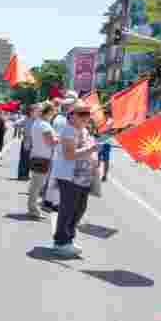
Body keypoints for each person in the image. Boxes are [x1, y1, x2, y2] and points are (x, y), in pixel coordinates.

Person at [46, 99, 98, 256]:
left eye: (87, 114)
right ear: (71, 115)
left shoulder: (83, 130)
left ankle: (68, 239)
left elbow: (87, 151)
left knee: (79, 209)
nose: (86, 117)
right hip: (69, 176)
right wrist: (91, 149)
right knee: (68, 210)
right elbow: (70, 155)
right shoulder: (69, 130)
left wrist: (94, 161)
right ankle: (61, 241)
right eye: (81, 114)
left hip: (82, 177)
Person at [26, 102, 56, 219]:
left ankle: (33, 208)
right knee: (37, 185)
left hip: (37, 155)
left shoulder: (38, 123)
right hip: (43, 157)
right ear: (48, 112)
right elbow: (50, 142)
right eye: (53, 112)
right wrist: (60, 139)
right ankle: (33, 210)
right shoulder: (45, 125)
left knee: (35, 184)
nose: (53, 114)